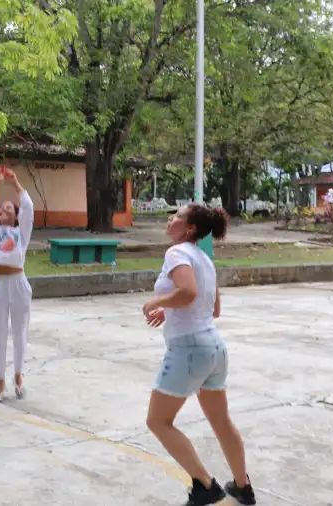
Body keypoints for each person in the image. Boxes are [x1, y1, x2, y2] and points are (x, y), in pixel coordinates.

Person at [142, 204, 257, 506]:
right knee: (221, 421)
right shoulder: (204, 258)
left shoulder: (177, 253)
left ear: (190, 228)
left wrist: (156, 302)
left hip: (189, 349)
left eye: (177, 215)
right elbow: (213, 308)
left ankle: (205, 485)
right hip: (214, 348)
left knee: (158, 421)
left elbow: (189, 293)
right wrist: (170, 311)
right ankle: (243, 488)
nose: (171, 218)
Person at [0, 165, 34, 402]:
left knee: (20, 332)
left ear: (16, 214)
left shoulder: (21, 233)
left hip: (19, 283)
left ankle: (18, 376)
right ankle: (0, 382)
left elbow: (29, 208)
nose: (3, 209)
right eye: (1, 207)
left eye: (9, 207)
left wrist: (15, 184)